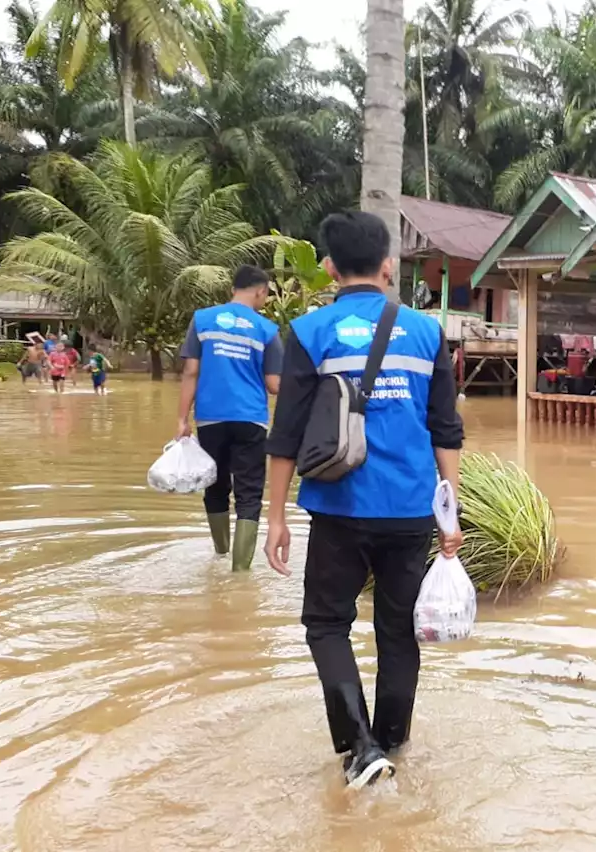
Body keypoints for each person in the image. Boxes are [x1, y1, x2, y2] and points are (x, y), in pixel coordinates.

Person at [263, 211, 464, 790]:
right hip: (410, 511)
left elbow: (287, 435)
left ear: (328, 268)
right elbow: (445, 429)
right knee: (398, 630)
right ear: (388, 266)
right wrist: (448, 514)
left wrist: (276, 515)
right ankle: (393, 741)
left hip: (338, 509)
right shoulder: (427, 333)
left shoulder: (308, 332)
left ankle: (360, 748)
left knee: (326, 623)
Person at [176, 265, 282, 571]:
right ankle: (240, 570)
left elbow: (190, 372)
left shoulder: (203, 320)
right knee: (249, 492)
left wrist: (182, 419)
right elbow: (275, 385)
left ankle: (220, 552)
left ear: (233, 288)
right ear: (260, 291)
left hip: (210, 417)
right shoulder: (267, 330)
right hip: (251, 419)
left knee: (215, 484)